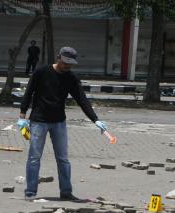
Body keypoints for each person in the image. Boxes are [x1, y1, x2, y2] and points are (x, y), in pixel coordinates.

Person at [18, 47, 108, 201]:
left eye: (70, 64)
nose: (67, 66)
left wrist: (95, 119)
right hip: (38, 121)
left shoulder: (71, 78)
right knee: (34, 157)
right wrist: (22, 115)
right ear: (58, 57)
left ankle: (66, 192)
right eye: (65, 62)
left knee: (63, 159)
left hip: (59, 122)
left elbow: (82, 99)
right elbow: (29, 92)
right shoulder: (41, 72)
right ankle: (30, 192)